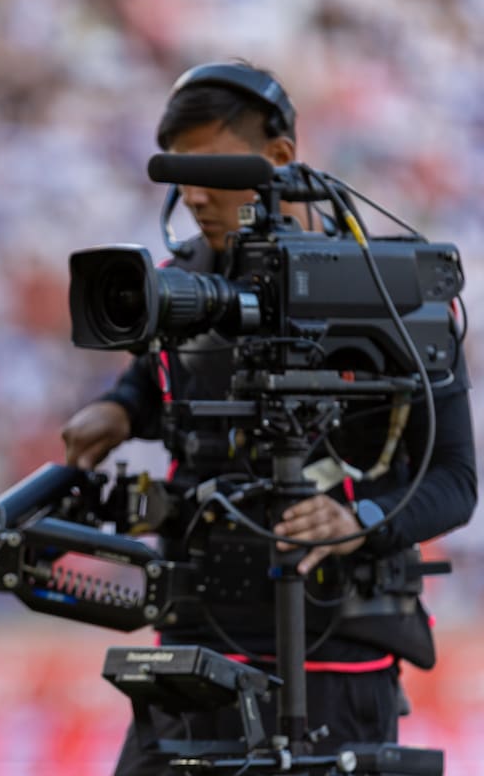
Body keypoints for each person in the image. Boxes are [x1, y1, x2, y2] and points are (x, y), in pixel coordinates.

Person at [61, 61, 477, 774]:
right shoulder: (186, 285)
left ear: (280, 156)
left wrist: (362, 520)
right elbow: (155, 379)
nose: (191, 195)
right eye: (178, 174)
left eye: (209, 168)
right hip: (193, 647)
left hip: (334, 662)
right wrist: (118, 409)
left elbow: (456, 481)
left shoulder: (389, 286)